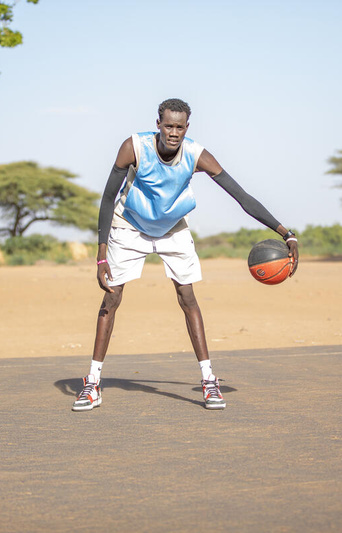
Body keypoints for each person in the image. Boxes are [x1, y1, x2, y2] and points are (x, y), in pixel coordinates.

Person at [72, 98, 298, 412]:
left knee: (187, 296)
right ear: (158, 125)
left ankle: (209, 381)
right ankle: (92, 383)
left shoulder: (196, 155)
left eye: (179, 127)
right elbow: (109, 198)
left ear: (187, 127)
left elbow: (241, 197)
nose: (174, 132)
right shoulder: (133, 147)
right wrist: (101, 256)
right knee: (111, 297)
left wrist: (285, 232)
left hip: (173, 228)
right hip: (130, 225)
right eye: (168, 125)